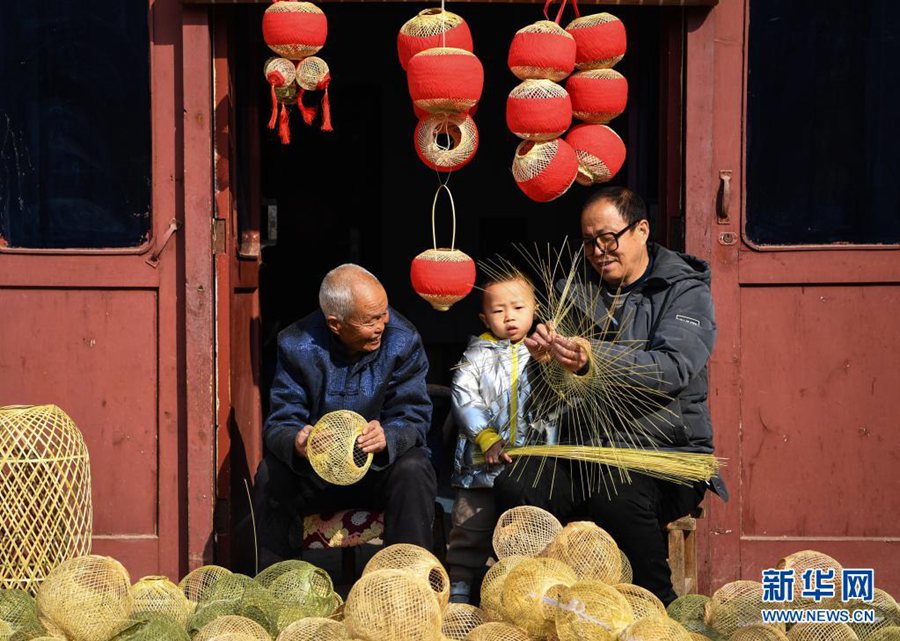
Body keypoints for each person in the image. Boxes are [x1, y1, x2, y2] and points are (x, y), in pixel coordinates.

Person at [495, 186, 727, 605]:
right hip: (586, 450)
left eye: (608, 239)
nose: (599, 251)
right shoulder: (573, 290)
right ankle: (539, 601)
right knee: (519, 484)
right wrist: (547, 363)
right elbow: (546, 400)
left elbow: (672, 369)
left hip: (666, 453)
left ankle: (660, 606)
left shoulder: (684, 291)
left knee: (614, 494)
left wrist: (592, 359)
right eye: (588, 243)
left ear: (641, 230)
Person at [253, 264, 437, 569]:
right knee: (272, 473)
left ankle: (408, 583)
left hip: (377, 472)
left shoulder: (403, 341)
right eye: (370, 320)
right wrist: (297, 440)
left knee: (415, 467)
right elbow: (280, 422)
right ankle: (278, 584)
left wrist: (389, 436)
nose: (383, 324)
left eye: (384, 313)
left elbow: (415, 414)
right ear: (335, 324)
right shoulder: (297, 344)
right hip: (317, 476)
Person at [447, 272, 556, 603]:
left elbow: (558, 400)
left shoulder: (543, 353)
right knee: (470, 524)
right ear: (484, 317)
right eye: (498, 311)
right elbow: (464, 397)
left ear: (535, 309)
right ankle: (462, 583)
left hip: (528, 464)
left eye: (518, 307)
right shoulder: (476, 355)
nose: (509, 317)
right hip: (479, 464)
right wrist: (486, 437)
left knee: (527, 527)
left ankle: (527, 586)